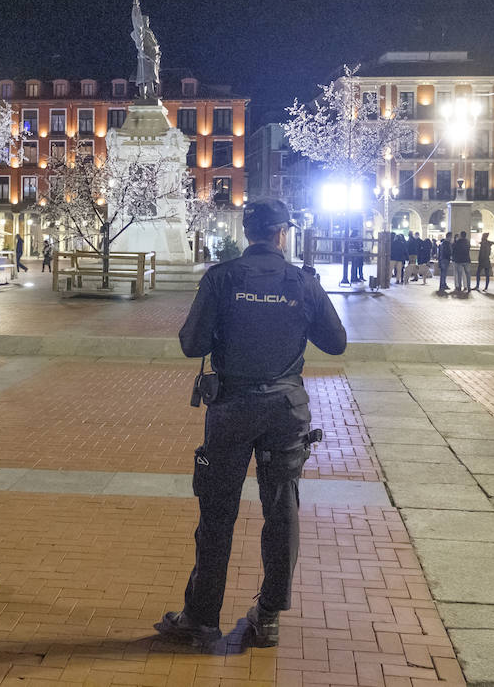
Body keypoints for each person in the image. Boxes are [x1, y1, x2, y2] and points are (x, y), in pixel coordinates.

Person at [156, 198, 346, 649]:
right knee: (282, 512)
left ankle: (202, 617)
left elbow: (191, 344)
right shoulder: (302, 282)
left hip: (232, 408)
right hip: (285, 409)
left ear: (248, 234)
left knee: (217, 512)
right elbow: (336, 343)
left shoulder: (221, 279)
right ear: (283, 234)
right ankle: (269, 615)